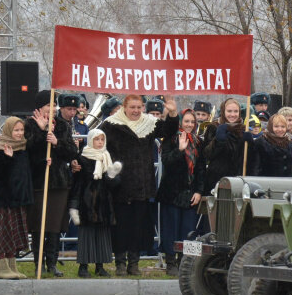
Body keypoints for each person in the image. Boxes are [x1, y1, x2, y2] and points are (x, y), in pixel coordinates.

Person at [102, 94, 179, 276]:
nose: (136, 111)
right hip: (120, 184)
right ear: (124, 107)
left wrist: (173, 113)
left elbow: (168, 130)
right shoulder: (110, 125)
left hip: (143, 183)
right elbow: (100, 147)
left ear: (143, 107)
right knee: (120, 226)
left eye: (139, 107)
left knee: (138, 227)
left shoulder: (149, 123)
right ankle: (120, 262)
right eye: (132, 107)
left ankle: (134, 263)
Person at [25, 91, 78, 277]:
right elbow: (28, 149)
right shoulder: (29, 124)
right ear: (39, 107)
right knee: (39, 225)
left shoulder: (62, 126)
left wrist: (56, 142)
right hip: (38, 181)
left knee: (54, 225)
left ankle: (52, 263)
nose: (53, 108)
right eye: (49, 105)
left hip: (58, 182)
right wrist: (41, 130)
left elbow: (72, 151)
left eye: (54, 104)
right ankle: (38, 263)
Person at [156, 110, 205, 276]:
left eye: (192, 122)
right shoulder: (171, 140)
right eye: (186, 121)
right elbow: (167, 162)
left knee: (189, 230)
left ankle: (185, 261)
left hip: (190, 193)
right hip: (172, 192)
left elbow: (200, 170)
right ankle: (170, 261)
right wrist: (180, 150)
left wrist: (199, 191)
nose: (190, 125)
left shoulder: (198, 142)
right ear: (180, 122)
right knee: (171, 228)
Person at [68, 129, 122, 278]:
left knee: (102, 236)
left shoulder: (107, 157)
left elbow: (113, 183)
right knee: (86, 236)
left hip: (103, 203)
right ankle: (83, 266)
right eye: (97, 140)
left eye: (102, 140)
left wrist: (111, 176)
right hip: (87, 202)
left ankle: (100, 266)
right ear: (91, 141)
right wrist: (74, 204)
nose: (99, 143)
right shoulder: (83, 158)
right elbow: (78, 183)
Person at [0, 117, 33, 279]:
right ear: (8, 131)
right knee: (2, 233)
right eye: (16, 130)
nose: (19, 134)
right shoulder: (0, 148)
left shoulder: (23, 147)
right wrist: (7, 158)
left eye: (21, 130)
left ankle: (12, 265)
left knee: (13, 235)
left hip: (18, 199)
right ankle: (1, 268)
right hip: (4, 200)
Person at [205, 98, 246, 189]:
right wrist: (218, 141)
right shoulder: (214, 127)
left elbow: (247, 158)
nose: (232, 114)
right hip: (216, 179)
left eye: (236, 111)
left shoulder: (243, 129)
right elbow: (207, 154)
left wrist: (251, 144)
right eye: (229, 111)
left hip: (238, 179)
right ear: (223, 111)